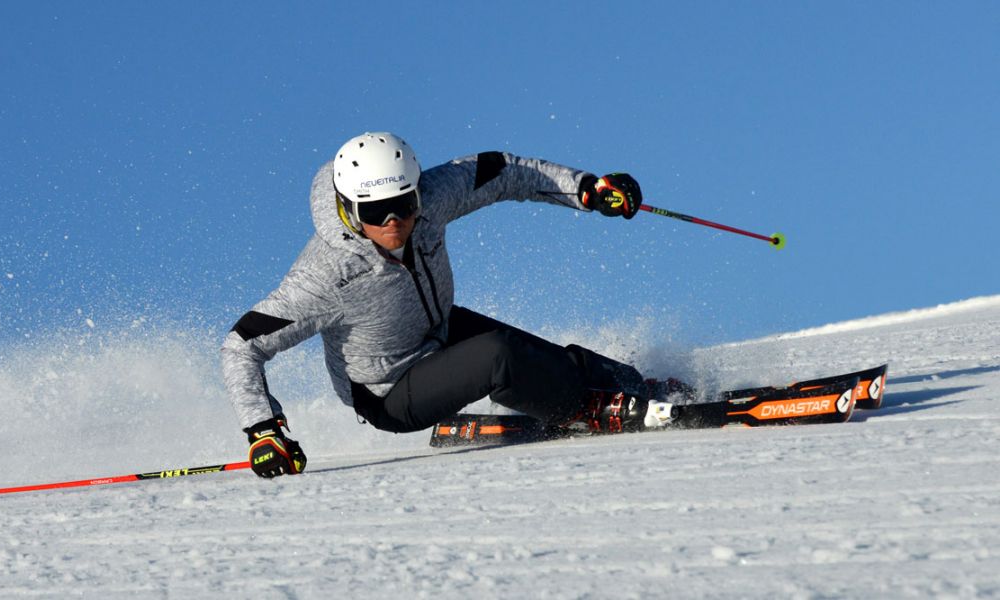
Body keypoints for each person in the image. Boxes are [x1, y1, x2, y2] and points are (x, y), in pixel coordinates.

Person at [221, 132, 677, 478]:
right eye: (376, 212)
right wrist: (263, 429)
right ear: (349, 210)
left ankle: (628, 385)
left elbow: (504, 171)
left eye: (403, 203)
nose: (395, 221)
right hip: (389, 390)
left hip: (435, 331)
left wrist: (585, 190)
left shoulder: (432, 201)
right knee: (501, 356)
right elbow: (243, 344)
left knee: (541, 357)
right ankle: (591, 410)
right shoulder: (326, 276)